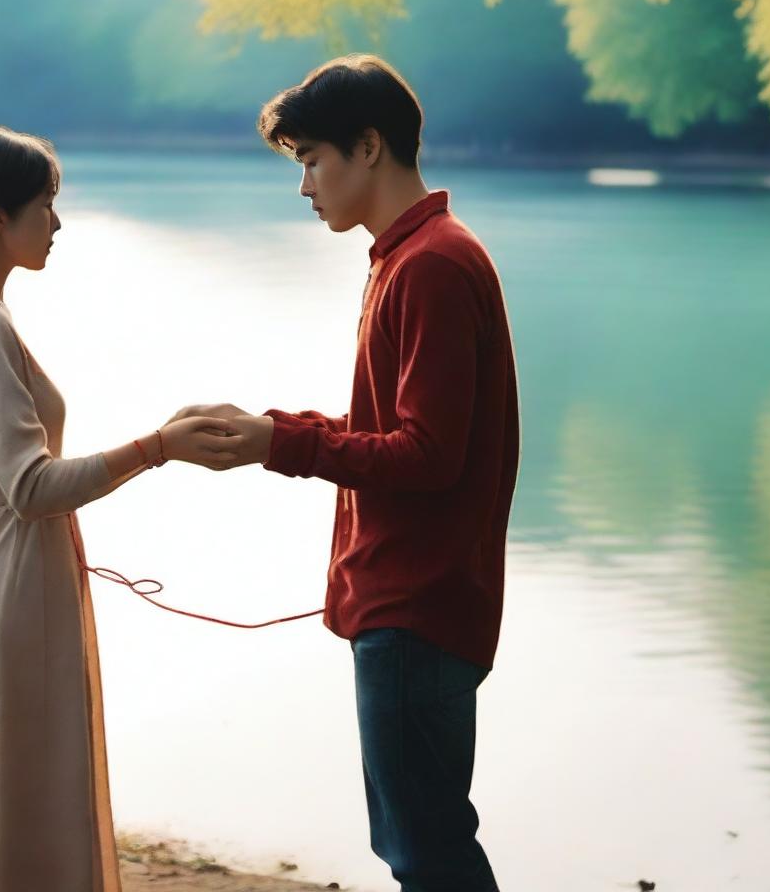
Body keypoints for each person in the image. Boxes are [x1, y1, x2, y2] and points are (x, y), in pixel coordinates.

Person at [173, 55, 520, 891]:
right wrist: (272, 429)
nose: (304, 187)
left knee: (426, 853)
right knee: (423, 843)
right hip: (410, 602)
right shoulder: (407, 257)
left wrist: (279, 447)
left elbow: (427, 457)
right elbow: (390, 432)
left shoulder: (432, 264)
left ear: (369, 147)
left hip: (418, 606)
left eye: (311, 160)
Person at [0, 125, 238, 892]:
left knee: (19, 799)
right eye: (47, 205)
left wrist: (162, 439)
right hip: (9, 582)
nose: (58, 223)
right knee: (24, 802)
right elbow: (31, 488)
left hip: (10, 573)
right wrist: (159, 447)